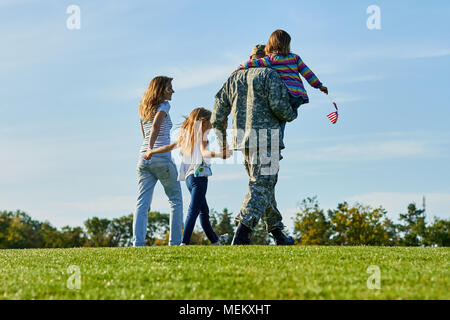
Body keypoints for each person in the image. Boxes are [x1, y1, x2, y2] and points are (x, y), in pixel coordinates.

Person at [211, 46, 297, 245]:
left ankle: (278, 234)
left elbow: (217, 116)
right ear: (267, 57)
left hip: (244, 141)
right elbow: (279, 106)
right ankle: (241, 232)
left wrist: (223, 142)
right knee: (261, 185)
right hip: (267, 138)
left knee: (265, 185)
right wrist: (292, 112)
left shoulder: (233, 78)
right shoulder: (270, 74)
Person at [146, 107, 232, 245]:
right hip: (199, 177)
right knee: (194, 210)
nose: (211, 127)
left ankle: (215, 240)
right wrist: (219, 155)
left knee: (203, 211)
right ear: (203, 122)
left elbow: (169, 147)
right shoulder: (202, 137)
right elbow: (204, 153)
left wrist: (152, 151)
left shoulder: (186, 137)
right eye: (210, 123)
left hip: (189, 179)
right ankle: (184, 242)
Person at [237, 30, 328, 141]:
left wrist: (238, 69)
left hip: (285, 94)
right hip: (298, 96)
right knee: (283, 117)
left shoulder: (271, 60)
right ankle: (280, 137)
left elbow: (250, 63)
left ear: (271, 44)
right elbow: (308, 73)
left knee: (278, 119)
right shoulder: (295, 58)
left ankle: (277, 141)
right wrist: (319, 86)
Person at [133, 76, 183, 247]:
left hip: (143, 159)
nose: (173, 91)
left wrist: (147, 150)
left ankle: (137, 243)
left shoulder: (143, 109)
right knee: (175, 199)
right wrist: (152, 149)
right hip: (159, 157)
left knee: (142, 202)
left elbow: (145, 134)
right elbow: (155, 126)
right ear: (161, 90)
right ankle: (175, 243)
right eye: (170, 88)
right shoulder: (164, 106)